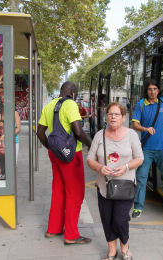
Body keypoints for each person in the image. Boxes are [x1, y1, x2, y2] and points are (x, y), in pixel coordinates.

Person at [36, 81, 92, 246]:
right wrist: (91, 144)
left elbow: (39, 133)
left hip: (55, 154)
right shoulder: (70, 105)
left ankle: (53, 228)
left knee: (58, 190)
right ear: (73, 91)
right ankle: (71, 234)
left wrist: (51, 148)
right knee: (75, 193)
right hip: (71, 155)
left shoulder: (49, 105)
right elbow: (78, 131)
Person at [87, 102, 143, 260]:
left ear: (123, 117)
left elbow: (140, 158)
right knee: (107, 218)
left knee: (120, 218)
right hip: (104, 186)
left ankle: (125, 247)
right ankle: (112, 251)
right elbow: (90, 158)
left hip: (125, 186)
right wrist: (99, 167)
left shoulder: (131, 134)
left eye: (117, 114)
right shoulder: (99, 135)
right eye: (110, 114)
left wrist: (126, 167)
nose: (113, 117)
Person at [131, 79, 163, 218]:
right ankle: (138, 207)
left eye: (155, 89)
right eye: (150, 89)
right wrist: (145, 129)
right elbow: (134, 124)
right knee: (141, 176)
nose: (152, 92)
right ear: (146, 91)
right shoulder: (141, 104)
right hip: (146, 148)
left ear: (158, 90)